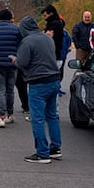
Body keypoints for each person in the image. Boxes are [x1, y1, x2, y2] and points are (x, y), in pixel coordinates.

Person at [14, 15, 62, 164]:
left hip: (38, 83)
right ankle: (55, 149)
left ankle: (42, 153)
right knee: (52, 116)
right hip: (54, 80)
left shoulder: (27, 41)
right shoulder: (47, 38)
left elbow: (22, 63)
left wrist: (15, 60)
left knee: (38, 119)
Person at [41, 4, 67, 94]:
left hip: (53, 56)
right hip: (56, 55)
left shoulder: (54, 24)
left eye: (45, 15)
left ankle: (53, 103)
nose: (45, 18)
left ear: (51, 13)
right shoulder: (57, 23)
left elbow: (48, 37)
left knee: (50, 83)